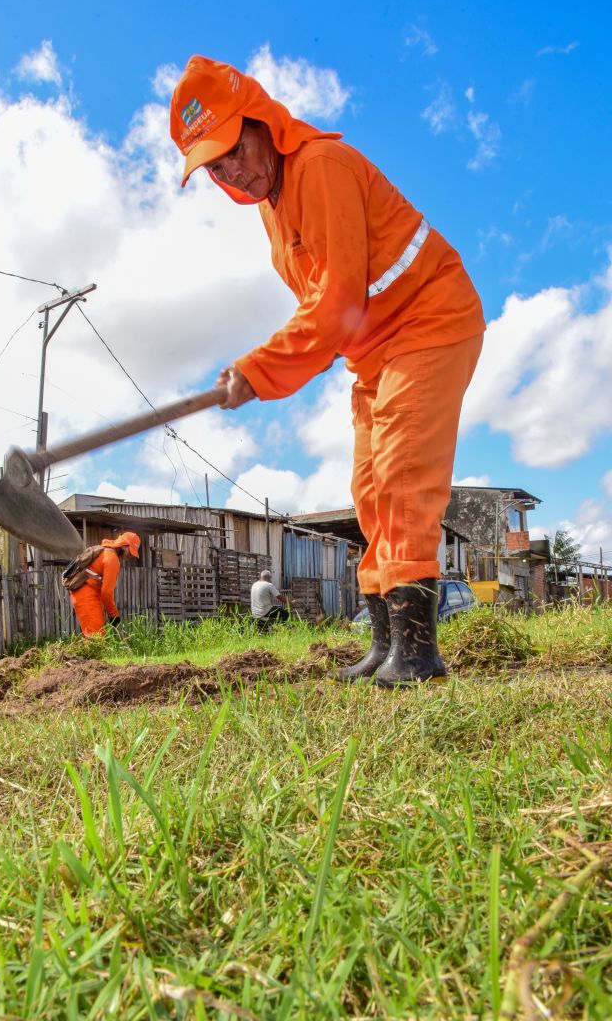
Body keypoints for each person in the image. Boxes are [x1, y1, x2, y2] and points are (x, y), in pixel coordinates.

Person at [170, 56, 485, 686]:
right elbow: (325, 306)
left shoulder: (320, 167)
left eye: (232, 148)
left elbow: (337, 303)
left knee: (401, 476)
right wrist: (261, 370)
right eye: (214, 165)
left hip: (429, 322)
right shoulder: (274, 207)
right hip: (373, 354)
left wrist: (258, 370)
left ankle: (418, 656)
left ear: (262, 122)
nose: (231, 170)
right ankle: (384, 645)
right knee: (370, 490)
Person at [68, 531, 140, 638]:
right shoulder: (112, 559)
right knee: (96, 637)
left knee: (96, 636)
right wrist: (114, 617)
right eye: (130, 552)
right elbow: (106, 593)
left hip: (85, 593)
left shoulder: (106, 550)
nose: (130, 556)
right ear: (124, 545)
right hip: (86, 595)